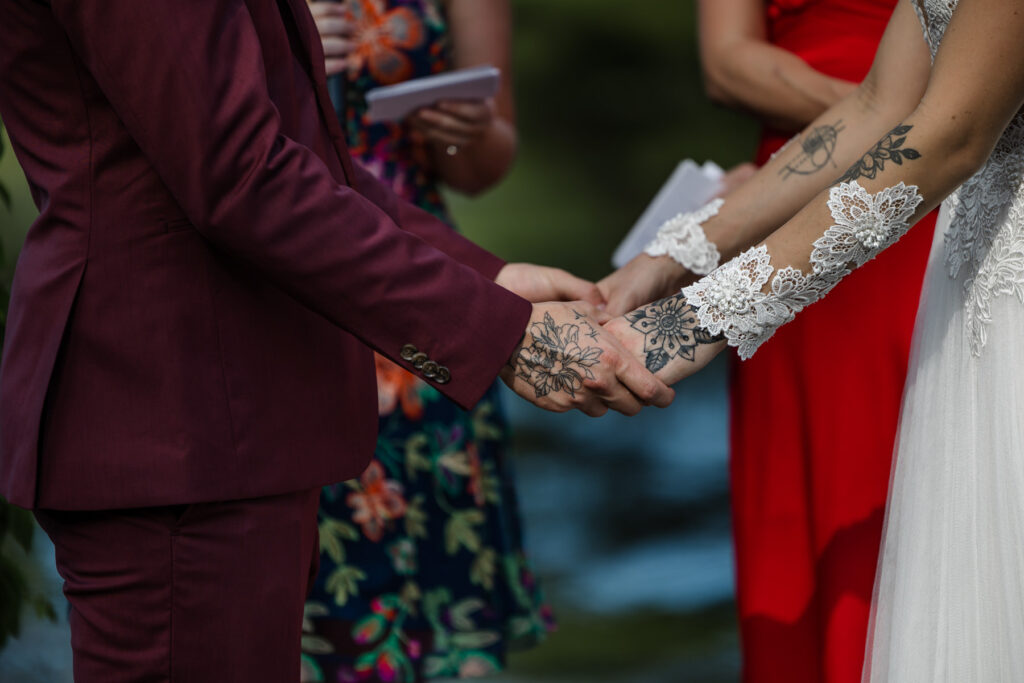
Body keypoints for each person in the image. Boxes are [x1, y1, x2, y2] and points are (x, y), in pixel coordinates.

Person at [0, 1, 675, 680]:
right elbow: (240, 173)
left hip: (227, 412)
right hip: (174, 413)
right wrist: (495, 331)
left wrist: (489, 277)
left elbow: (292, 155)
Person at [601, 0, 1024, 679]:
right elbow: (876, 109)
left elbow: (951, 134)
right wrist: (670, 259)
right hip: (965, 302)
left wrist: (697, 320)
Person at [299, 1, 551, 680]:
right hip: (292, 305)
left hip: (427, 310)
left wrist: (463, 131)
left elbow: (484, 163)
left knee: (444, 608)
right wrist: (283, 60)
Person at [689, 1, 936, 680]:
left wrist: (920, 124)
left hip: (955, 184)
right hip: (803, 201)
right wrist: (879, 118)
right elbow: (726, 58)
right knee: (816, 501)